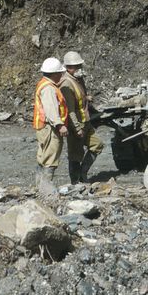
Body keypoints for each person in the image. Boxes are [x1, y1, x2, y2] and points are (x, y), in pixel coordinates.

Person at [59, 51, 104, 184]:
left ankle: (83, 174)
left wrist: (86, 98)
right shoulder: (66, 84)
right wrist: (77, 128)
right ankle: (76, 182)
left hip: (86, 121)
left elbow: (80, 97)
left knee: (97, 144)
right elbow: (70, 110)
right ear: (68, 68)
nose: (79, 68)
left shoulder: (78, 79)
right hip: (76, 125)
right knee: (75, 155)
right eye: (76, 66)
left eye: (80, 65)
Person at [33, 57, 69, 191]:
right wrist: (60, 125)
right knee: (50, 157)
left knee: (43, 157)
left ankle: (39, 187)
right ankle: (46, 189)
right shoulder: (48, 88)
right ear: (54, 74)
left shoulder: (44, 83)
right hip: (50, 127)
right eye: (60, 73)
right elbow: (51, 109)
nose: (61, 75)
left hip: (43, 127)